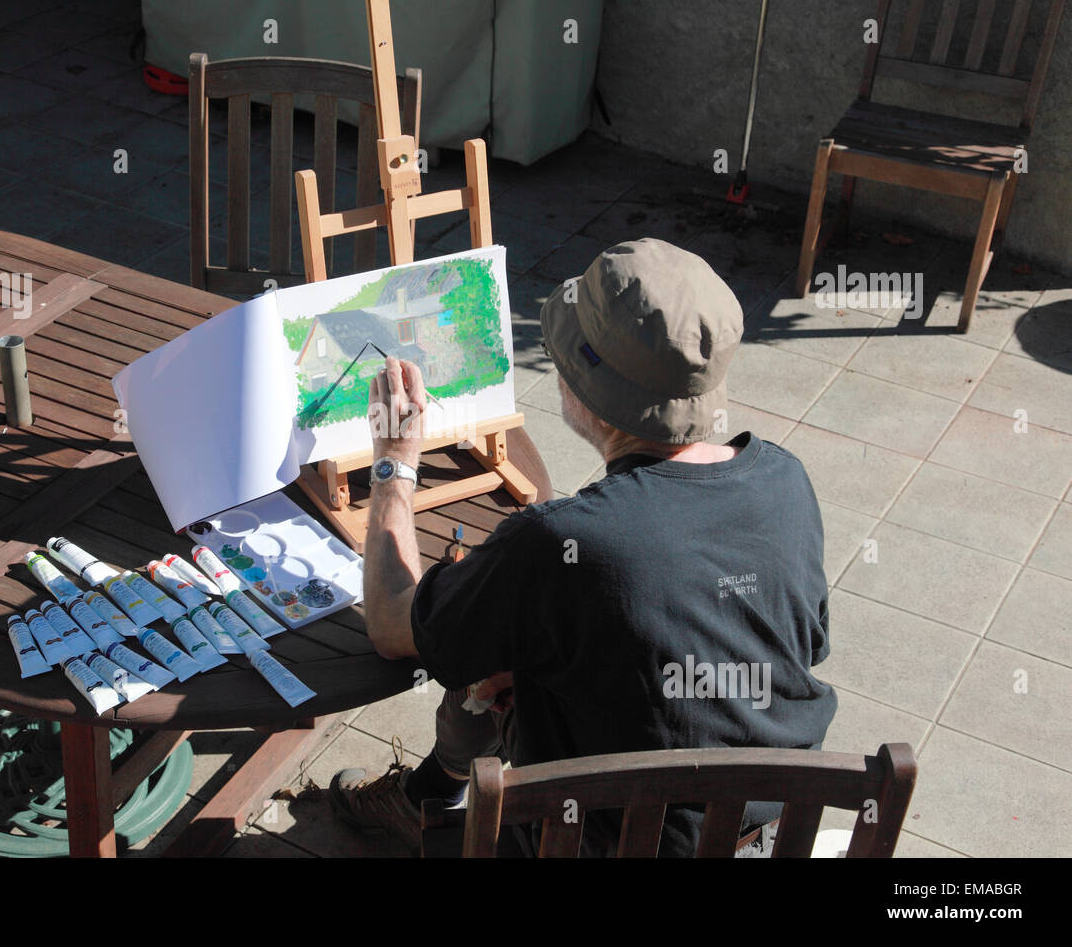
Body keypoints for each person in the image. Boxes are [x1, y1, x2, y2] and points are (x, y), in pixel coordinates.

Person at [329, 239, 836, 856]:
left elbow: (389, 624)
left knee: (476, 625)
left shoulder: (557, 542)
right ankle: (428, 792)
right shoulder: (786, 479)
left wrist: (394, 466)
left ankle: (429, 802)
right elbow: (784, 646)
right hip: (773, 836)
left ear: (586, 389)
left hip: (600, 843)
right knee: (509, 635)